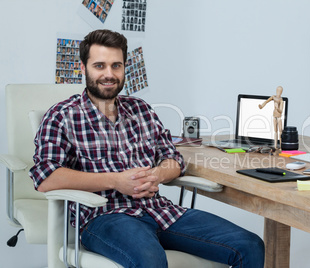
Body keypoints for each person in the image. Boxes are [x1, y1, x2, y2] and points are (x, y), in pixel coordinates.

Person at [29, 29, 264, 268]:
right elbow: (46, 177)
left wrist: (156, 174)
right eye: (99, 66)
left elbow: (172, 158)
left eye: (116, 66)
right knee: (150, 259)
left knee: (249, 245)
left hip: (159, 211)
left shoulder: (140, 109)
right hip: (105, 217)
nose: (109, 74)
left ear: (124, 68)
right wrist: (115, 181)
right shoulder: (62, 115)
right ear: (83, 68)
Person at [258, 86, 284, 150]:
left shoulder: (281, 100)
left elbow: (281, 110)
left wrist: (277, 108)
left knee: (280, 131)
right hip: (274, 115)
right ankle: (275, 146)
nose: (278, 92)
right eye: (277, 90)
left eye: (279, 91)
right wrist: (262, 106)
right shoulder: (273, 97)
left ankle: (281, 146)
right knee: (275, 131)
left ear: (281, 92)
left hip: (279, 116)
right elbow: (266, 101)